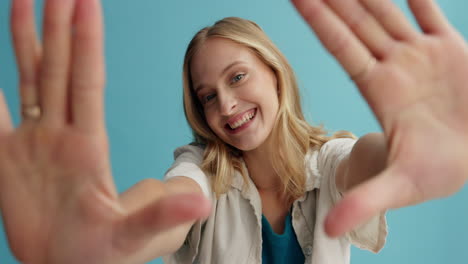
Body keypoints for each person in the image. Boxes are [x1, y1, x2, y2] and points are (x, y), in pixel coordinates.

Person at [0, 0, 467, 263]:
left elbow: (364, 160)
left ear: (275, 74)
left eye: (238, 77)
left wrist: (410, 147)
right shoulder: (199, 172)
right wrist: (109, 225)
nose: (225, 104)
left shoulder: (328, 162)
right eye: (207, 95)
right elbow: (167, 200)